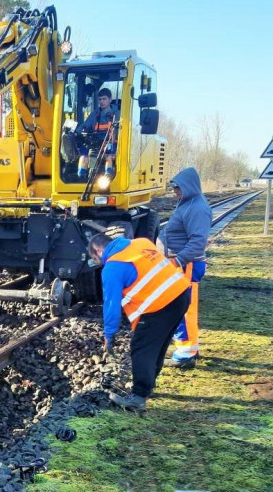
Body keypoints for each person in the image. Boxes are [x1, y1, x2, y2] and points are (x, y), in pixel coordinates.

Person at [88, 233, 191, 411]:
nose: (98, 263)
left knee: (141, 349)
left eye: (95, 258)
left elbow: (111, 305)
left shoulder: (112, 267)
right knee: (158, 345)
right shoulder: (141, 242)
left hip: (159, 306)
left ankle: (138, 398)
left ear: (98, 249)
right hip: (181, 295)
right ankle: (148, 386)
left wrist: (109, 335)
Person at [158, 167, 212, 369]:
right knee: (181, 307)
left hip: (186, 266)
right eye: (174, 188)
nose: (175, 192)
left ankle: (185, 355)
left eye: (178, 188)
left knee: (185, 309)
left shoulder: (197, 208)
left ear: (188, 187)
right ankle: (187, 347)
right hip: (182, 265)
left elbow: (198, 242)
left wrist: (177, 261)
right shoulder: (188, 204)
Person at [76, 87, 119, 178]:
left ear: (110, 99)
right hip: (96, 141)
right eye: (100, 99)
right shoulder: (95, 114)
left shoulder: (116, 114)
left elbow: (119, 129)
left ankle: (108, 173)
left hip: (110, 142)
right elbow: (85, 125)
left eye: (104, 99)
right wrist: (77, 132)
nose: (102, 102)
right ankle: (81, 174)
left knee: (108, 153)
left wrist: (112, 140)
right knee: (84, 151)